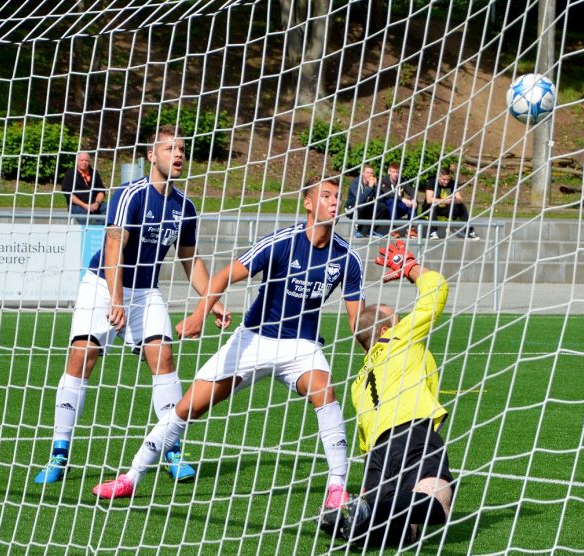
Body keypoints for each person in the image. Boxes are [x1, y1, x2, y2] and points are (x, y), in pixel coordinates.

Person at [92, 177, 365, 521]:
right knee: (189, 406)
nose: (334, 202)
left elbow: (358, 324)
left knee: (324, 391)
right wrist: (197, 316)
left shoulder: (348, 258)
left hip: (302, 346)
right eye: (325, 196)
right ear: (308, 203)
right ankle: (131, 477)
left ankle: (337, 488)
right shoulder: (282, 242)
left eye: (337, 197)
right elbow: (223, 276)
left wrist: (383, 335)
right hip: (254, 339)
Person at [33, 125, 229, 484]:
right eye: (171, 149)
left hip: (145, 291)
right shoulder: (130, 195)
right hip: (103, 284)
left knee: (163, 356)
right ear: (152, 156)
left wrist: (209, 300)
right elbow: (112, 248)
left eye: (182, 149)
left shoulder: (185, 206)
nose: (180, 155)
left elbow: (190, 259)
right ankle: (59, 454)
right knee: (82, 355)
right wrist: (117, 300)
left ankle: (172, 449)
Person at [325, 240, 454, 549]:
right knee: (438, 504)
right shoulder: (398, 339)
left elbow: (364, 435)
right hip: (412, 434)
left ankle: (354, 518)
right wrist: (410, 268)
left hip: (376, 455)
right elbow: (436, 291)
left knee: (404, 531)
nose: (403, 321)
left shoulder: (358, 381)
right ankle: (367, 511)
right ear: (385, 331)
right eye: (397, 317)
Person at [420, 167, 478, 240]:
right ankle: (432, 232)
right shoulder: (432, 182)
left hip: (446, 208)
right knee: (432, 205)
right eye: (444, 179)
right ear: (439, 177)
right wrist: (447, 200)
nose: (446, 182)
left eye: (448, 179)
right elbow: (429, 200)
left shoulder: (452, 183)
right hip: (431, 209)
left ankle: (469, 231)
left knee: (461, 206)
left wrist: (452, 201)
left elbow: (459, 199)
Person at [62, 151, 107, 225]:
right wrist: (85, 206)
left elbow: (101, 191)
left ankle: (99, 228)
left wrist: (97, 203)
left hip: (95, 204)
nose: (84, 162)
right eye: (82, 160)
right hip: (78, 205)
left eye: (86, 160)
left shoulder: (94, 173)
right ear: (77, 162)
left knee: (110, 209)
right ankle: (94, 229)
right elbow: (69, 194)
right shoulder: (70, 174)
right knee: (89, 220)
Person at [348, 164, 390, 237]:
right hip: (352, 208)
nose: (369, 175)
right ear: (363, 173)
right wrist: (370, 187)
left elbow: (380, 199)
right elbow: (360, 200)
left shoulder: (373, 183)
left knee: (382, 207)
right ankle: (359, 229)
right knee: (362, 206)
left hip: (366, 207)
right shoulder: (355, 183)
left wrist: (376, 186)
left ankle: (366, 231)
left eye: (371, 173)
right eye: (367, 173)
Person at [381, 162, 419, 238]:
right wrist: (403, 199)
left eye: (397, 172)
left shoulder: (402, 180)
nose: (396, 174)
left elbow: (411, 191)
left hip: (398, 207)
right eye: (393, 172)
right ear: (389, 172)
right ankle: (393, 229)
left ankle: (411, 229)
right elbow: (389, 194)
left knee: (412, 203)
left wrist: (413, 200)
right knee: (392, 201)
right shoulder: (384, 181)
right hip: (387, 209)